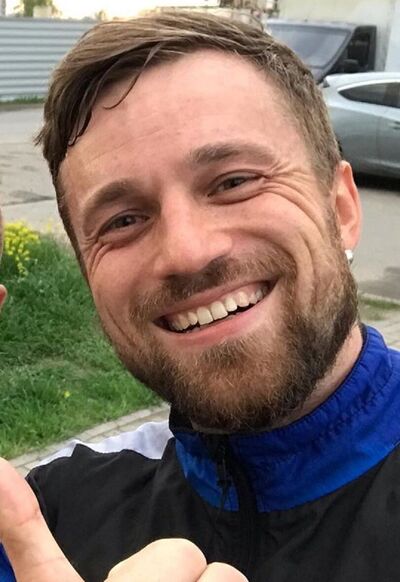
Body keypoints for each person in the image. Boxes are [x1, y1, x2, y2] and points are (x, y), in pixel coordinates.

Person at [0, 10, 399, 582]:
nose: (187, 252)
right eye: (123, 220)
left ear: (341, 209)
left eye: (234, 181)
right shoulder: (40, 522)